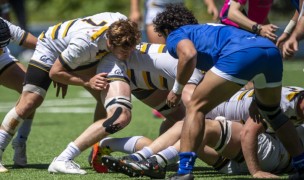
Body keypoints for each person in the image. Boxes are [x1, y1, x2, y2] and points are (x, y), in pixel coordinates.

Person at [152, 4, 304, 179]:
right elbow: (250, 55)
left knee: (195, 107)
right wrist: (257, 96)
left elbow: (188, 54)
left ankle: (184, 172)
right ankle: (301, 166)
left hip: (239, 54)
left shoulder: (175, 35)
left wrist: (177, 90)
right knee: (273, 113)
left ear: (165, 29)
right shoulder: (206, 29)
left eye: (162, 36)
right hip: (269, 50)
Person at [0, 12, 141, 173]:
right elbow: (55, 72)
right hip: (51, 47)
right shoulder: (85, 44)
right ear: (109, 43)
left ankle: (96, 151)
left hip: (81, 51)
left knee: (105, 99)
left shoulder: (124, 28)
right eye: (124, 52)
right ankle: (9, 145)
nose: (128, 55)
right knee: (32, 100)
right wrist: (82, 79)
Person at [98, 86, 304, 178]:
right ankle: (122, 150)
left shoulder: (284, 99)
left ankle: (151, 162)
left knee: (201, 127)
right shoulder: (283, 95)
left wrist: (256, 171)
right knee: (186, 131)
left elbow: (250, 132)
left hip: (274, 155)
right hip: (240, 156)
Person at [88, 43, 203, 172]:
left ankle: (110, 145)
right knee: (196, 128)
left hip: (149, 72)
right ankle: (69, 155)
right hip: (139, 73)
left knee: (188, 126)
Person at [0, 17, 37, 172]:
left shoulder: (3, 25)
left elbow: (37, 43)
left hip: (2, 60)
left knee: (32, 90)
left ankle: (20, 141)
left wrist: (62, 60)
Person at [129, 0, 219, 44]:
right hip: (156, 8)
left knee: (183, 45)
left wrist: (210, 4)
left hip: (178, 9)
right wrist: (135, 10)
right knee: (161, 49)